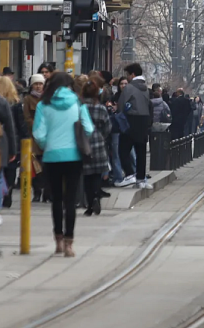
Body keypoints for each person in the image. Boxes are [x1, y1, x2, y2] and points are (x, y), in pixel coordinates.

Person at [32, 71, 94, 257]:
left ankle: (58, 240)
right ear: (70, 85)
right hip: (73, 156)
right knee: (70, 199)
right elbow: (89, 129)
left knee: (56, 199)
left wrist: (47, 145)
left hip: (51, 157)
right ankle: (69, 243)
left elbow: (38, 133)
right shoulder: (77, 103)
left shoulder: (44, 104)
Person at [116, 63, 153, 189]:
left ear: (132, 74)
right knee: (141, 151)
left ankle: (130, 174)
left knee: (123, 150)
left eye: (128, 75)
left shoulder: (129, 88)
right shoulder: (146, 88)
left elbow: (121, 105)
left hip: (130, 121)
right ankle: (141, 179)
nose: (127, 77)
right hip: (143, 122)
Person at [81, 75, 112, 216]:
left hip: (83, 143)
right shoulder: (101, 109)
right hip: (98, 143)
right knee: (97, 175)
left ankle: (89, 203)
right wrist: (101, 137)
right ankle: (96, 197)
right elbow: (108, 127)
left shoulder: (80, 107)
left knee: (87, 176)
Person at [0, 76, 28, 209]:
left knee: (0, 173)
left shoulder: (2, 102)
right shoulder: (14, 103)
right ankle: (7, 193)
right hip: (9, 140)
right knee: (9, 170)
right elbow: (16, 126)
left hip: (0, 140)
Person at [23, 74, 49, 202]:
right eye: (36, 84)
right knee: (35, 166)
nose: (38, 86)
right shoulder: (28, 99)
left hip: (47, 136)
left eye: (40, 84)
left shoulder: (47, 98)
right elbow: (26, 117)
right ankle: (37, 192)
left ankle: (47, 193)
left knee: (46, 166)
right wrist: (36, 124)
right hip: (33, 136)